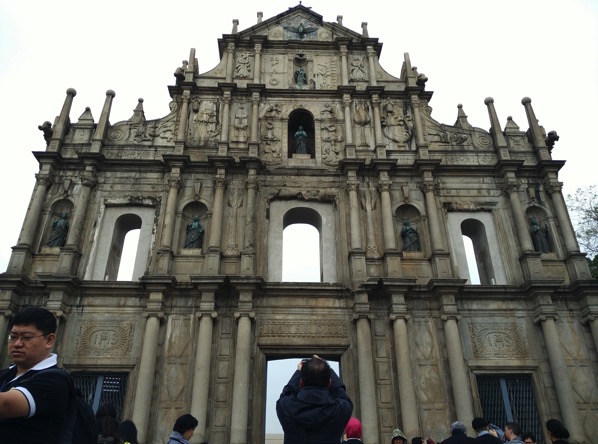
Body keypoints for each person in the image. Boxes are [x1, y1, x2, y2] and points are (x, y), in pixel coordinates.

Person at [0, 306, 71, 443]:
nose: (17, 344)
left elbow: (4, 405)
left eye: (26, 337)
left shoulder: (55, 380)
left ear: (49, 340)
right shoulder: (5, 375)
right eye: (13, 337)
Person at [276, 355, 353, 444]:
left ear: (301, 382)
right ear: (329, 383)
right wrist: (328, 370)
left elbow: (287, 392)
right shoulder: (340, 409)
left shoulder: (285, 407)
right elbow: (342, 394)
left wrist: (297, 373)